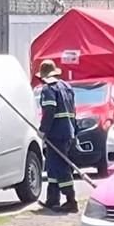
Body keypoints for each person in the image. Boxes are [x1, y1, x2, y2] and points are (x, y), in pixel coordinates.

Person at [37, 59, 78, 213]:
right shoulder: (67, 87)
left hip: (56, 133)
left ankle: (70, 200)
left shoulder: (48, 90)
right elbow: (74, 111)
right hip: (68, 132)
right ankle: (53, 199)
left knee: (60, 167)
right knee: (53, 167)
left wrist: (43, 130)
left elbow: (49, 112)